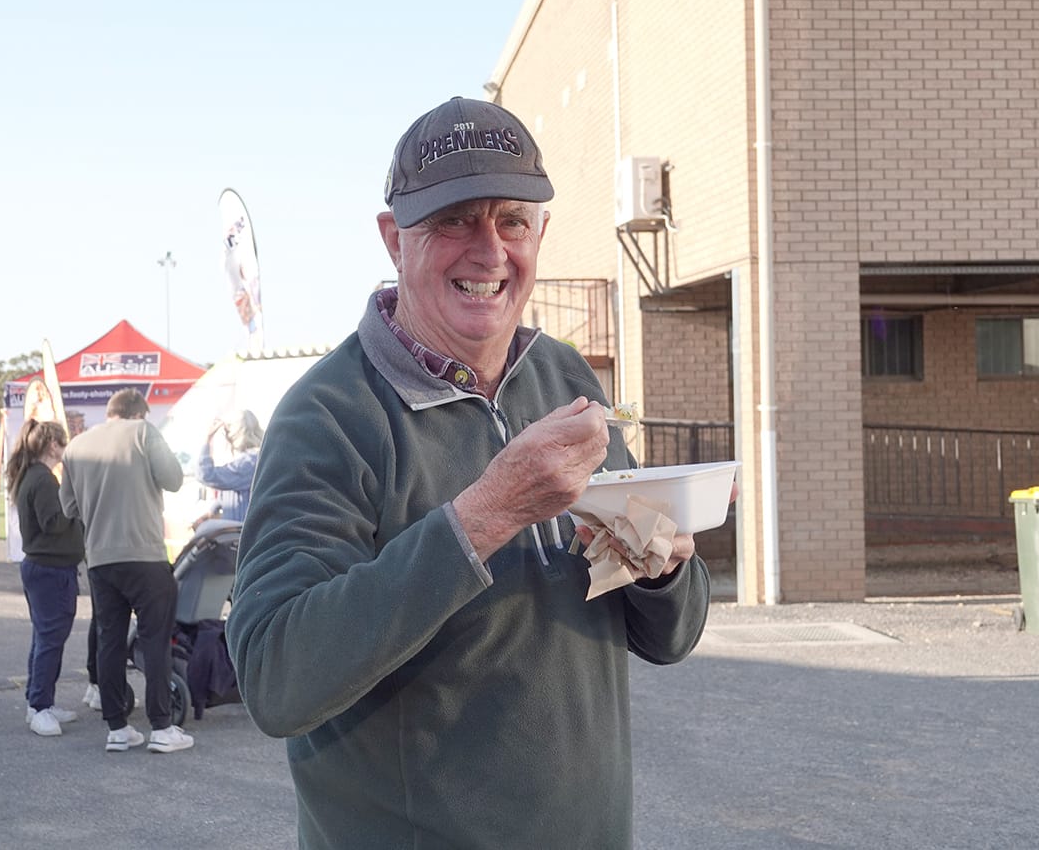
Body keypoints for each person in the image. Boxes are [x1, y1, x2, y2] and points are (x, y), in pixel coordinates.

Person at [225, 96, 712, 848]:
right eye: (453, 220)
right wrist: (485, 512)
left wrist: (662, 565)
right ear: (394, 240)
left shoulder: (566, 379)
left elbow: (669, 634)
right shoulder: (329, 416)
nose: (488, 250)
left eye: (511, 220)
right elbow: (274, 676)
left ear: (540, 233)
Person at [58, 388, 193, 754]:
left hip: (101, 559)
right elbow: (174, 479)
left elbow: (69, 507)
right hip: (144, 554)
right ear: (138, 413)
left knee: (110, 640)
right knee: (155, 639)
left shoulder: (75, 448)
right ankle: (162, 727)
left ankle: (117, 728)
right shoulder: (144, 433)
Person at [5, 419, 84, 737]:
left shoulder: (32, 476)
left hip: (44, 568)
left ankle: (39, 702)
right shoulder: (44, 480)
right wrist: (76, 505)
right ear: (54, 445)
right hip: (51, 570)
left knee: (44, 637)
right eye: (63, 443)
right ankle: (39, 706)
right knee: (50, 639)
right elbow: (53, 521)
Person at [194, 409, 263, 523]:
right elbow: (233, 490)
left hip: (240, 533)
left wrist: (208, 439)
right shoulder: (253, 459)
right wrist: (213, 510)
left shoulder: (248, 463)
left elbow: (205, 475)